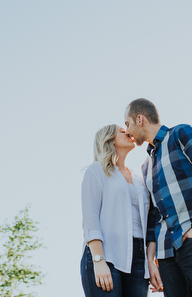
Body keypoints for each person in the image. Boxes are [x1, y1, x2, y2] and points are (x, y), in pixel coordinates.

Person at [124, 98, 192, 297]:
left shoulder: (180, 134)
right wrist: (151, 261)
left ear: (140, 119)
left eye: (127, 124)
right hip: (166, 254)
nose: (127, 131)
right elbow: (154, 215)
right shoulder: (146, 167)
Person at [80, 124, 150, 297]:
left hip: (139, 259)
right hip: (106, 255)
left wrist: (151, 263)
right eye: (122, 131)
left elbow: (149, 222)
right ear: (109, 139)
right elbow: (91, 218)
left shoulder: (139, 179)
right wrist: (99, 260)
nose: (128, 133)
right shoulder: (97, 171)